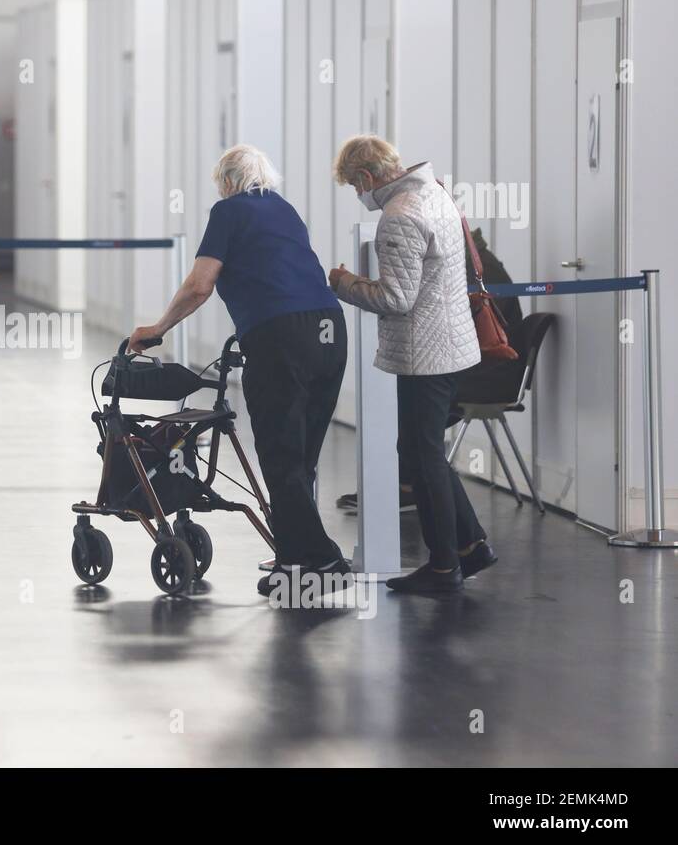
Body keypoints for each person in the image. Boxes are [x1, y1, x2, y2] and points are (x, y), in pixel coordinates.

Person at [128, 144, 349, 597]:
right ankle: (295, 558)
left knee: (280, 455)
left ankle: (321, 560)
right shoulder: (285, 210)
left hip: (281, 336)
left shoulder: (229, 211)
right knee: (302, 456)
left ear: (227, 182)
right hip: (330, 330)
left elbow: (199, 285)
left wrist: (159, 328)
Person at [328, 135, 495, 594]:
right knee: (425, 453)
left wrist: (344, 283)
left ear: (366, 178)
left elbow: (396, 299)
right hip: (450, 346)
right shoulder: (435, 193)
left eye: (353, 186)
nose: (358, 196)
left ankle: (444, 565)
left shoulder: (398, 217)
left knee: (422, 456)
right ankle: (469, 546)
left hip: (426, 351)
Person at [336, 225, 525, 513]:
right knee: (413, 405)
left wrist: (355, 286)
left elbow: (418, 307)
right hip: (479, 365)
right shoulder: (474, 262)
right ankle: (408, 487)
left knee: (414, 406)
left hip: (488, 373)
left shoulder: (474, 269)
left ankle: (407, 488)